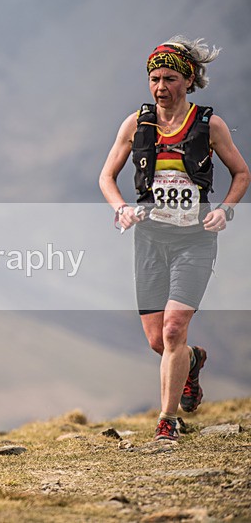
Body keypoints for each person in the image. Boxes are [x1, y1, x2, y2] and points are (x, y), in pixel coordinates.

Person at [99, 36, 249, 441]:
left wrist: (226, 209)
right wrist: (121, 208)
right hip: (149, 240)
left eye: (169, 79)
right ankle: (193, 361)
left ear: (189, 80)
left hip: (194, 241)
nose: (160, 87)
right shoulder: (136, 124)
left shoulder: (209, 125)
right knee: (158, 341)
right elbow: (106, 176)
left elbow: (241, 173)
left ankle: (168, 420)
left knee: (172, 329)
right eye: (154, 79)